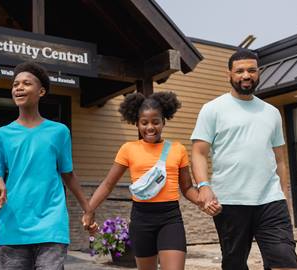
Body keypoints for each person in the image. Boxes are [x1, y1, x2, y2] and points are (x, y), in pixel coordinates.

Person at [83, 91, 221, 270]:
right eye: (144, 122)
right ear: (137, 123)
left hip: (170, 219)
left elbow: (186, 188)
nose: (150, 127)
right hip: (141, 220)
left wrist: (204, 203)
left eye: (155, 122)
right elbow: (108, 184)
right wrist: (89, 210)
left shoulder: (177, 149)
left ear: (164, 121)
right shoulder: (128, 149)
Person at [191, 49, 297, 270]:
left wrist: (284, 198)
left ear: (258, 73)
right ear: (229, 74)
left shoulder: (271, 112)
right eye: (239, 71)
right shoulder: (212, 109)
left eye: (251, 70)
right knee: (234, 264)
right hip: (230, 201)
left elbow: (280, 160)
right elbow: (199, 153)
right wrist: (203, 186)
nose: (246, 75)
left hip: (270, 200)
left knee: (285, 261)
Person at [0, 62, 96, 270]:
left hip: (51, 223)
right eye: (15, 84)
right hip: (13, 224)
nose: (19, 87)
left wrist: (88, 208)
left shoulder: (59, 132)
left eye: (26, 83)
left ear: (41, 91)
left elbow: (68, 174)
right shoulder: (1, 135)